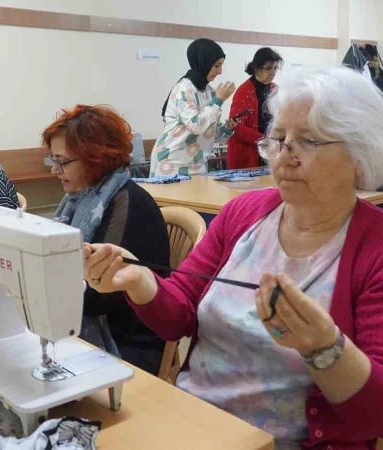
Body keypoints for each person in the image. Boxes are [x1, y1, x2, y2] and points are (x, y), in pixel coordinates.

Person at [84, 67, 383, 449]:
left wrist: (325, 349)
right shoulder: (244, 213)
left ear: (358, 153)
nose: (285, 157)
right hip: (192, 423)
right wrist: (140, 283)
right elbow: (179, 314)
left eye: (308, 142)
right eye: (279, 140)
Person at [43, 104, 170, 375]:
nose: (55, 170)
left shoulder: (129, 203)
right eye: (53, 160)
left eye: (62, 162)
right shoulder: (80, 200)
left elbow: (100, 296)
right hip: (90, 330)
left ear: (95, 158)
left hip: (128, 345)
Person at [150, 38, 238, 177]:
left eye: (221, 65)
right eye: (216, 65)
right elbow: (196, 125)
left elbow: (208, 133)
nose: (220, 71)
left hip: (196, 164)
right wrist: (218, 101)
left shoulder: (210, 92)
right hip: (171, 163)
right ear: (203, 63)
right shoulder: (184, 89)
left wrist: (226, 129)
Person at [227, 47, 283, 169]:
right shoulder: (244, 91)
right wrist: (264, 140)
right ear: (257, 69)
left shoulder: (276, 89)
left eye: (275, 68)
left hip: (270, 150)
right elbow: (236, 127)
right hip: (247, 153)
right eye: (268, 68)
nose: (272, 72)